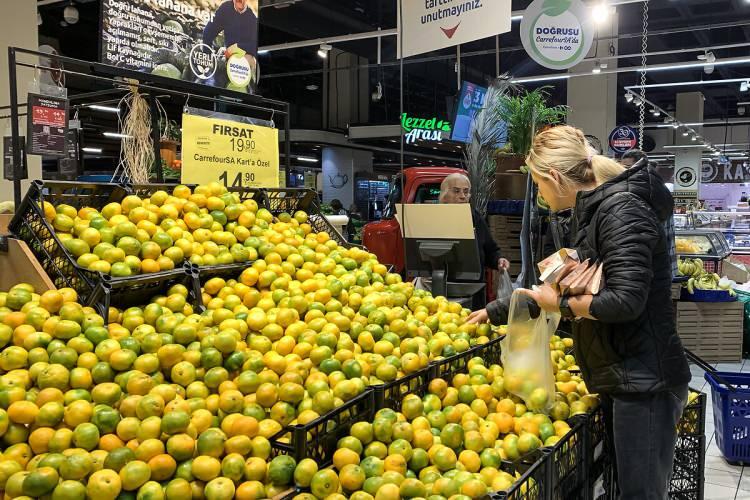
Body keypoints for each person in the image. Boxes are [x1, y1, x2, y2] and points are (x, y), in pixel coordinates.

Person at [470, 126, 691, 500]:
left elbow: (625, 300)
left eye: (538, 184)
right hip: (624, 375)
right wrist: (497, 310)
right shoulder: (592, 213)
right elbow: (562, 282)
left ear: (555, 178)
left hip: (645, 381)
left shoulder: (620, 210)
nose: (539, 194)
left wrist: (560, 306)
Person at [621, 149, 679, 279]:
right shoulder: (661, 189)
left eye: (627, 167)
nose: (623, 172)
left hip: (643, 271)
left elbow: (666, 235)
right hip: (655, 269)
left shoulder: (642, 193)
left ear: (640, 167)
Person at [438, 173, 510, 272]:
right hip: (439, 280)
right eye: (456, 191)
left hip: (473, 281)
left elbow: (491, 250)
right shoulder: (435, 217)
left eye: (466, 192)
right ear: (444, 195)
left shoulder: (475, 217)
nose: (462, 196)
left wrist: (498, 260)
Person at [203, 0, 259, 73]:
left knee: (249, 59)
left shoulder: (252, 18)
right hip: (228, 57)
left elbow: (255, 46)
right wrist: (207, 57)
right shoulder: (226, 8)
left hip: (244, 62)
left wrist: (235, 48)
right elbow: (208, 32)